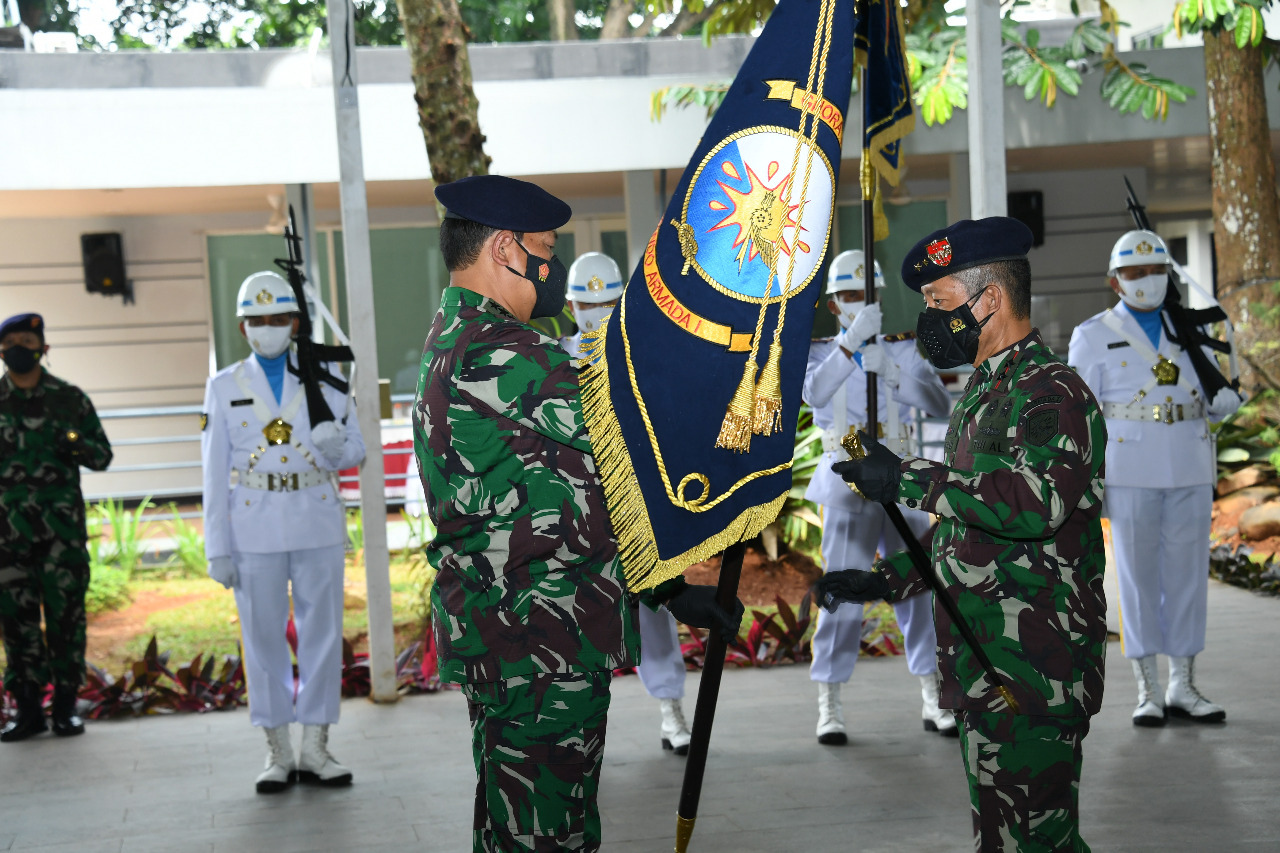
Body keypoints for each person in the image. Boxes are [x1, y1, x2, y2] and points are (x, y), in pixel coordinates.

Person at [414, 174, 742, 853]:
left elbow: (566, 497)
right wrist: (736, 356)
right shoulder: (501, 350)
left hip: (517, 635)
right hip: (539, 641)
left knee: (517, 826)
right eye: (545, 248)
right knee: (547, 836)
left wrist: (668, 588)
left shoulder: (459, 338)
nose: (552, 266)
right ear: (504, 249)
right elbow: (636, 424)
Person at [818, 218, 1108, 852]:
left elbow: (1037, 505)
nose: (930, 319)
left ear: (991, 299)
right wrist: (884, 579)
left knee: (1040, 842)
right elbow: (970, 527)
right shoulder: (987, 389)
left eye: (939, 303)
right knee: (1003, 841)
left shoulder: (1050, 392)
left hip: (1036, 665)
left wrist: (908, 477)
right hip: (987, 660)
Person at [1068, 230, 1241, 727]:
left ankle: (1183, 684)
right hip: (1130, 469)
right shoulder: (1093, 333)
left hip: (1188, 461)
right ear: (1114, 281)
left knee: (1188, 578)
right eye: (1135, 273)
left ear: (1170, 275)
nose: (1147, 281)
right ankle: (1146, 690)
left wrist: (1223, 402)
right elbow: (1083, 415)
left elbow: (1212, 385)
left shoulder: (1190, 328)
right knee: (1139, 580)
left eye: (1156, 271)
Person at [201, 271, 366, 793]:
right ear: (242, 326)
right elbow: (211, 472)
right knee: (262, 638)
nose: (266, 329)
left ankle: (315, 746)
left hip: (315, 514)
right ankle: (277, 750)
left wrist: (336, 445)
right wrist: (216, 547)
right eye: (256, 320)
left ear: (295, 322)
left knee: (321, 636)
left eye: (276, 319)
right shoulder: (224, 385)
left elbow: (358, 450)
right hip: (252, 524)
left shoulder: (330, 378)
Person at [802, 250, 955, 745]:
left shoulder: (905, 348)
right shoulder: (822, 350)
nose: (856, 303)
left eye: (864, 295)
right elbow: (813, 396)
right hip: (847, 477)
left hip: (903, 477)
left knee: (918, 585)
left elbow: (937, 404)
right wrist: (848, 347)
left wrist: (892, 371)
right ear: (833, 305)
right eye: (846, 297)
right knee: (843, 588)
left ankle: (933, 692)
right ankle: (830, 699)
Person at [558, 251, 693, 756]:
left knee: (656, 613)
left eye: (611, 302)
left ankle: (670, 708)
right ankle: (574, 724)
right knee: (575, 616)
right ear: (571, 304)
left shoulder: (650, 356)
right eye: (589, 303)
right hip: (576, 510)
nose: (598, 311)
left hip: (637, 505)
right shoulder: (551, 361)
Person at [0, 313, 112, 743]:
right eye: (10, 341)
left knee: (67, 621)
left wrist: (73, 441)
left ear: (43, 348)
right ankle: (27, 709)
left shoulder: (69, 399)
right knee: (16, 624)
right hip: (8, 540)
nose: (18, 347)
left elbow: (102, 456)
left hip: (60, 538)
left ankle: (66, 707)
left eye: (26, 340)